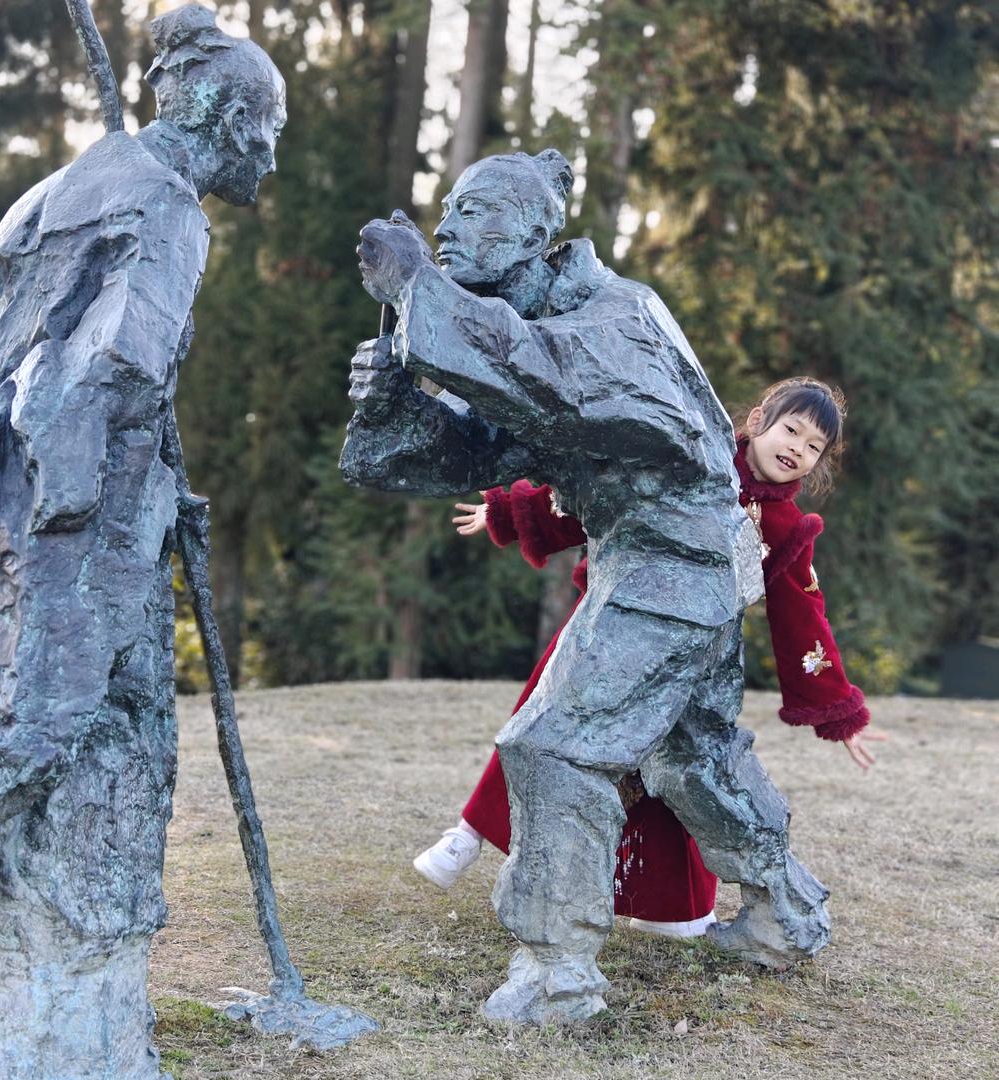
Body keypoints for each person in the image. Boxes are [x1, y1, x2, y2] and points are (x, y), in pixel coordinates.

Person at [342, 148, 830, 1023]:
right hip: (668, 566)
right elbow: (479, 446)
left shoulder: (617, 318)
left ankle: (558, 974)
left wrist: (422, 292)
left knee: (554, 746)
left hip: (672, 566)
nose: (450, 227)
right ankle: (785, 915)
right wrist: (391, 402)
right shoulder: (531, 326)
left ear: (538, 234)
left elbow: (546, 383)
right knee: (693, 753)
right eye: (448, 210)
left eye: (477, 211)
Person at [0, 7, 285, 1076]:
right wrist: (92, 510)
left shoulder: (54, 193)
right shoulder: (168, 208)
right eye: (266, 126)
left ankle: (3, 958)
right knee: (75, 729)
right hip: (73, 514)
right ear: (224, 116)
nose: (269, 151)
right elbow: (115, 369)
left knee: (26, 717)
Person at [414, 377, 885, 938]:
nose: (797, 449)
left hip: (689, 661)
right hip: (610, 625)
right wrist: (514, 514)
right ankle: (467, 836)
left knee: (667, 774)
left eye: (813, 447)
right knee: (545, 727)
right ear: (758, 420)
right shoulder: (691, 461)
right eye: (791, 430)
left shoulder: (787, 529)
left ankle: (669, 908)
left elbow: (803, 619)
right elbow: (607, 490)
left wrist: (838, 712)